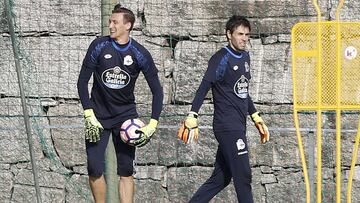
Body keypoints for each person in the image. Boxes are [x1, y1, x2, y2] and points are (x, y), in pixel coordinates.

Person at [178, 15, 270, 203]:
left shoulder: (245, 56)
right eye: (240, 34)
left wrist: (256, 117)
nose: (244, 38)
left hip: (238, 125)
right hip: (227, 126)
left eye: (247, 35)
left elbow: (242, 91)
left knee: (220, 178)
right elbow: (204, 86)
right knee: (243, 175)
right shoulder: (221, 58)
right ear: (229, 34)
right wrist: (192, 115)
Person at [77, 4, 163, 203]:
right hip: (97, 116)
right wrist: (88, 113)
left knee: (125, 172)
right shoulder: (98, 46)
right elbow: (82, 81)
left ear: (128, 25)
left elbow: (157, 91)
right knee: (94, 168)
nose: (111, 25)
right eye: (110, 21)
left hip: (126, 119)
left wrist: (153, 124)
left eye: (115, 22)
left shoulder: (139, 53)